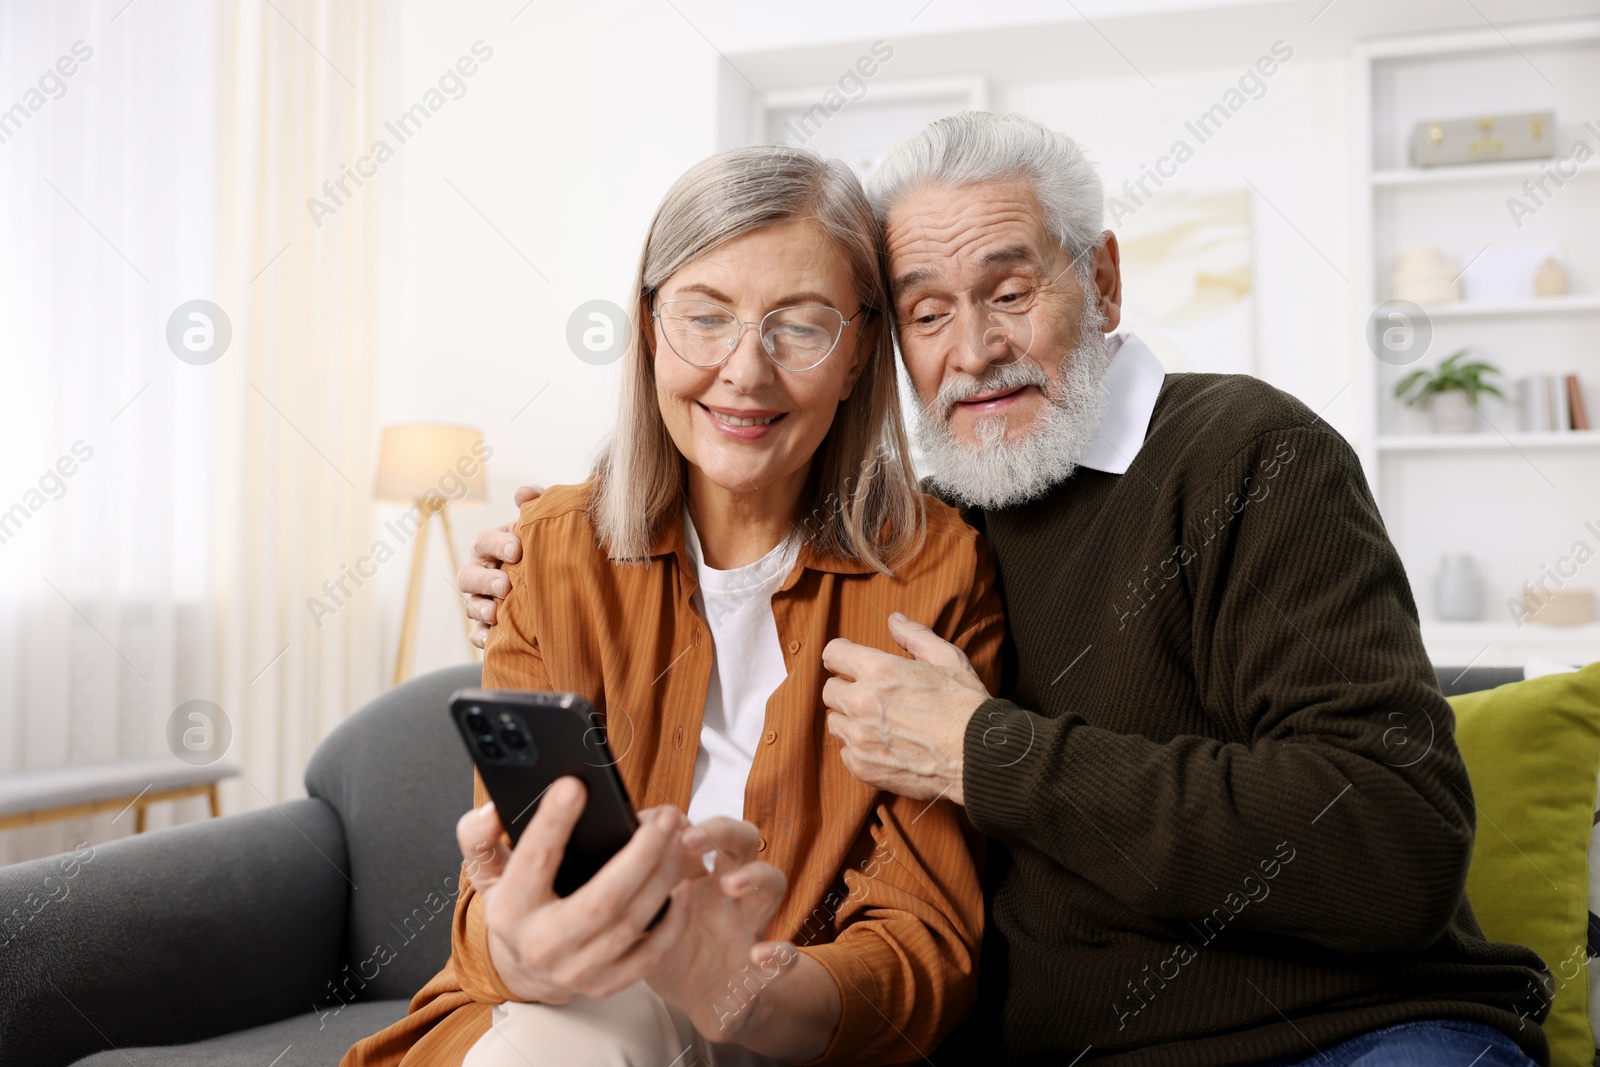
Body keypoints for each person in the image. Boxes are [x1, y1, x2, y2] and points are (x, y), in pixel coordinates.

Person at [462, 112, 1552, 1066]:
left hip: (1351, 1035)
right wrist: (530, 566)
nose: (974, 349)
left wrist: (988, 750)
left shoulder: (1249, 455)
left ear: (1104, 279)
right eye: (928, 313)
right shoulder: (940, 533)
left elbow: (1394, 837)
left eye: (1010, 290)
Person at [344, 144, 1003, 1067]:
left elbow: (919, 950)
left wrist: (726, 984)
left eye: (800, 327)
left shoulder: (937, 570)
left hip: (783, 1028)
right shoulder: (552, 553)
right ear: (651, 329)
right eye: (706, 317)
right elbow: (492, 927)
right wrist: (523, 942)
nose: (744, 371)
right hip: (558, 1018)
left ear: (858, 357)